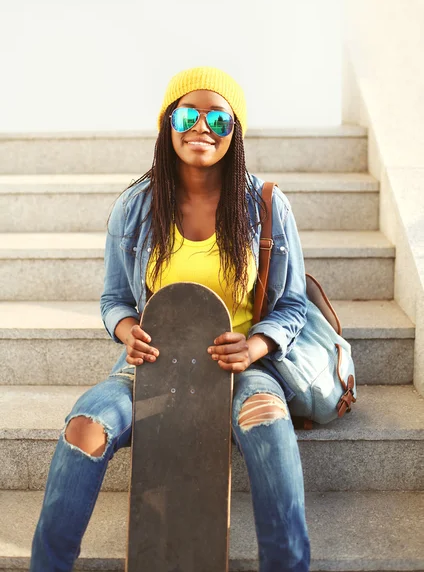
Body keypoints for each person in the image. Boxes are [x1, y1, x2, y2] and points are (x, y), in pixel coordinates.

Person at [30, 66, 311, 571]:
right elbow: (114, 298)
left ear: (235, 132)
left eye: (218, 119)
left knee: (269, 424)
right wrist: (126, 331)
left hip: (239, 369)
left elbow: (292, 306)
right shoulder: (136, 207)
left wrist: (255, 346)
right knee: (84, 429)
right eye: (188, 113)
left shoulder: (266, 206)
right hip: (149, 365)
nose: (201, 127)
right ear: (168, 124)